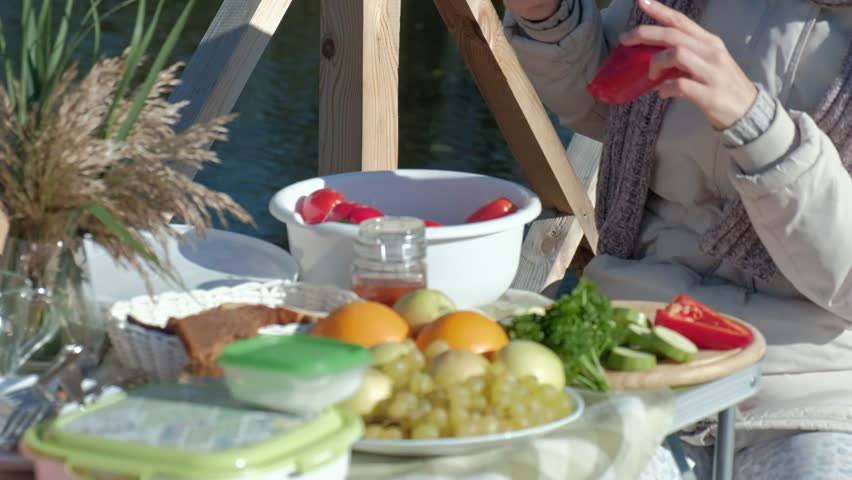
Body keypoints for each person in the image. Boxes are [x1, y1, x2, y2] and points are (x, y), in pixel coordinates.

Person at [501, 0, 852, 478]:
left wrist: (757, 128)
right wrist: (548, 18)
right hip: (632, 350)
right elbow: (610, 97)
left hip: (811, 398)